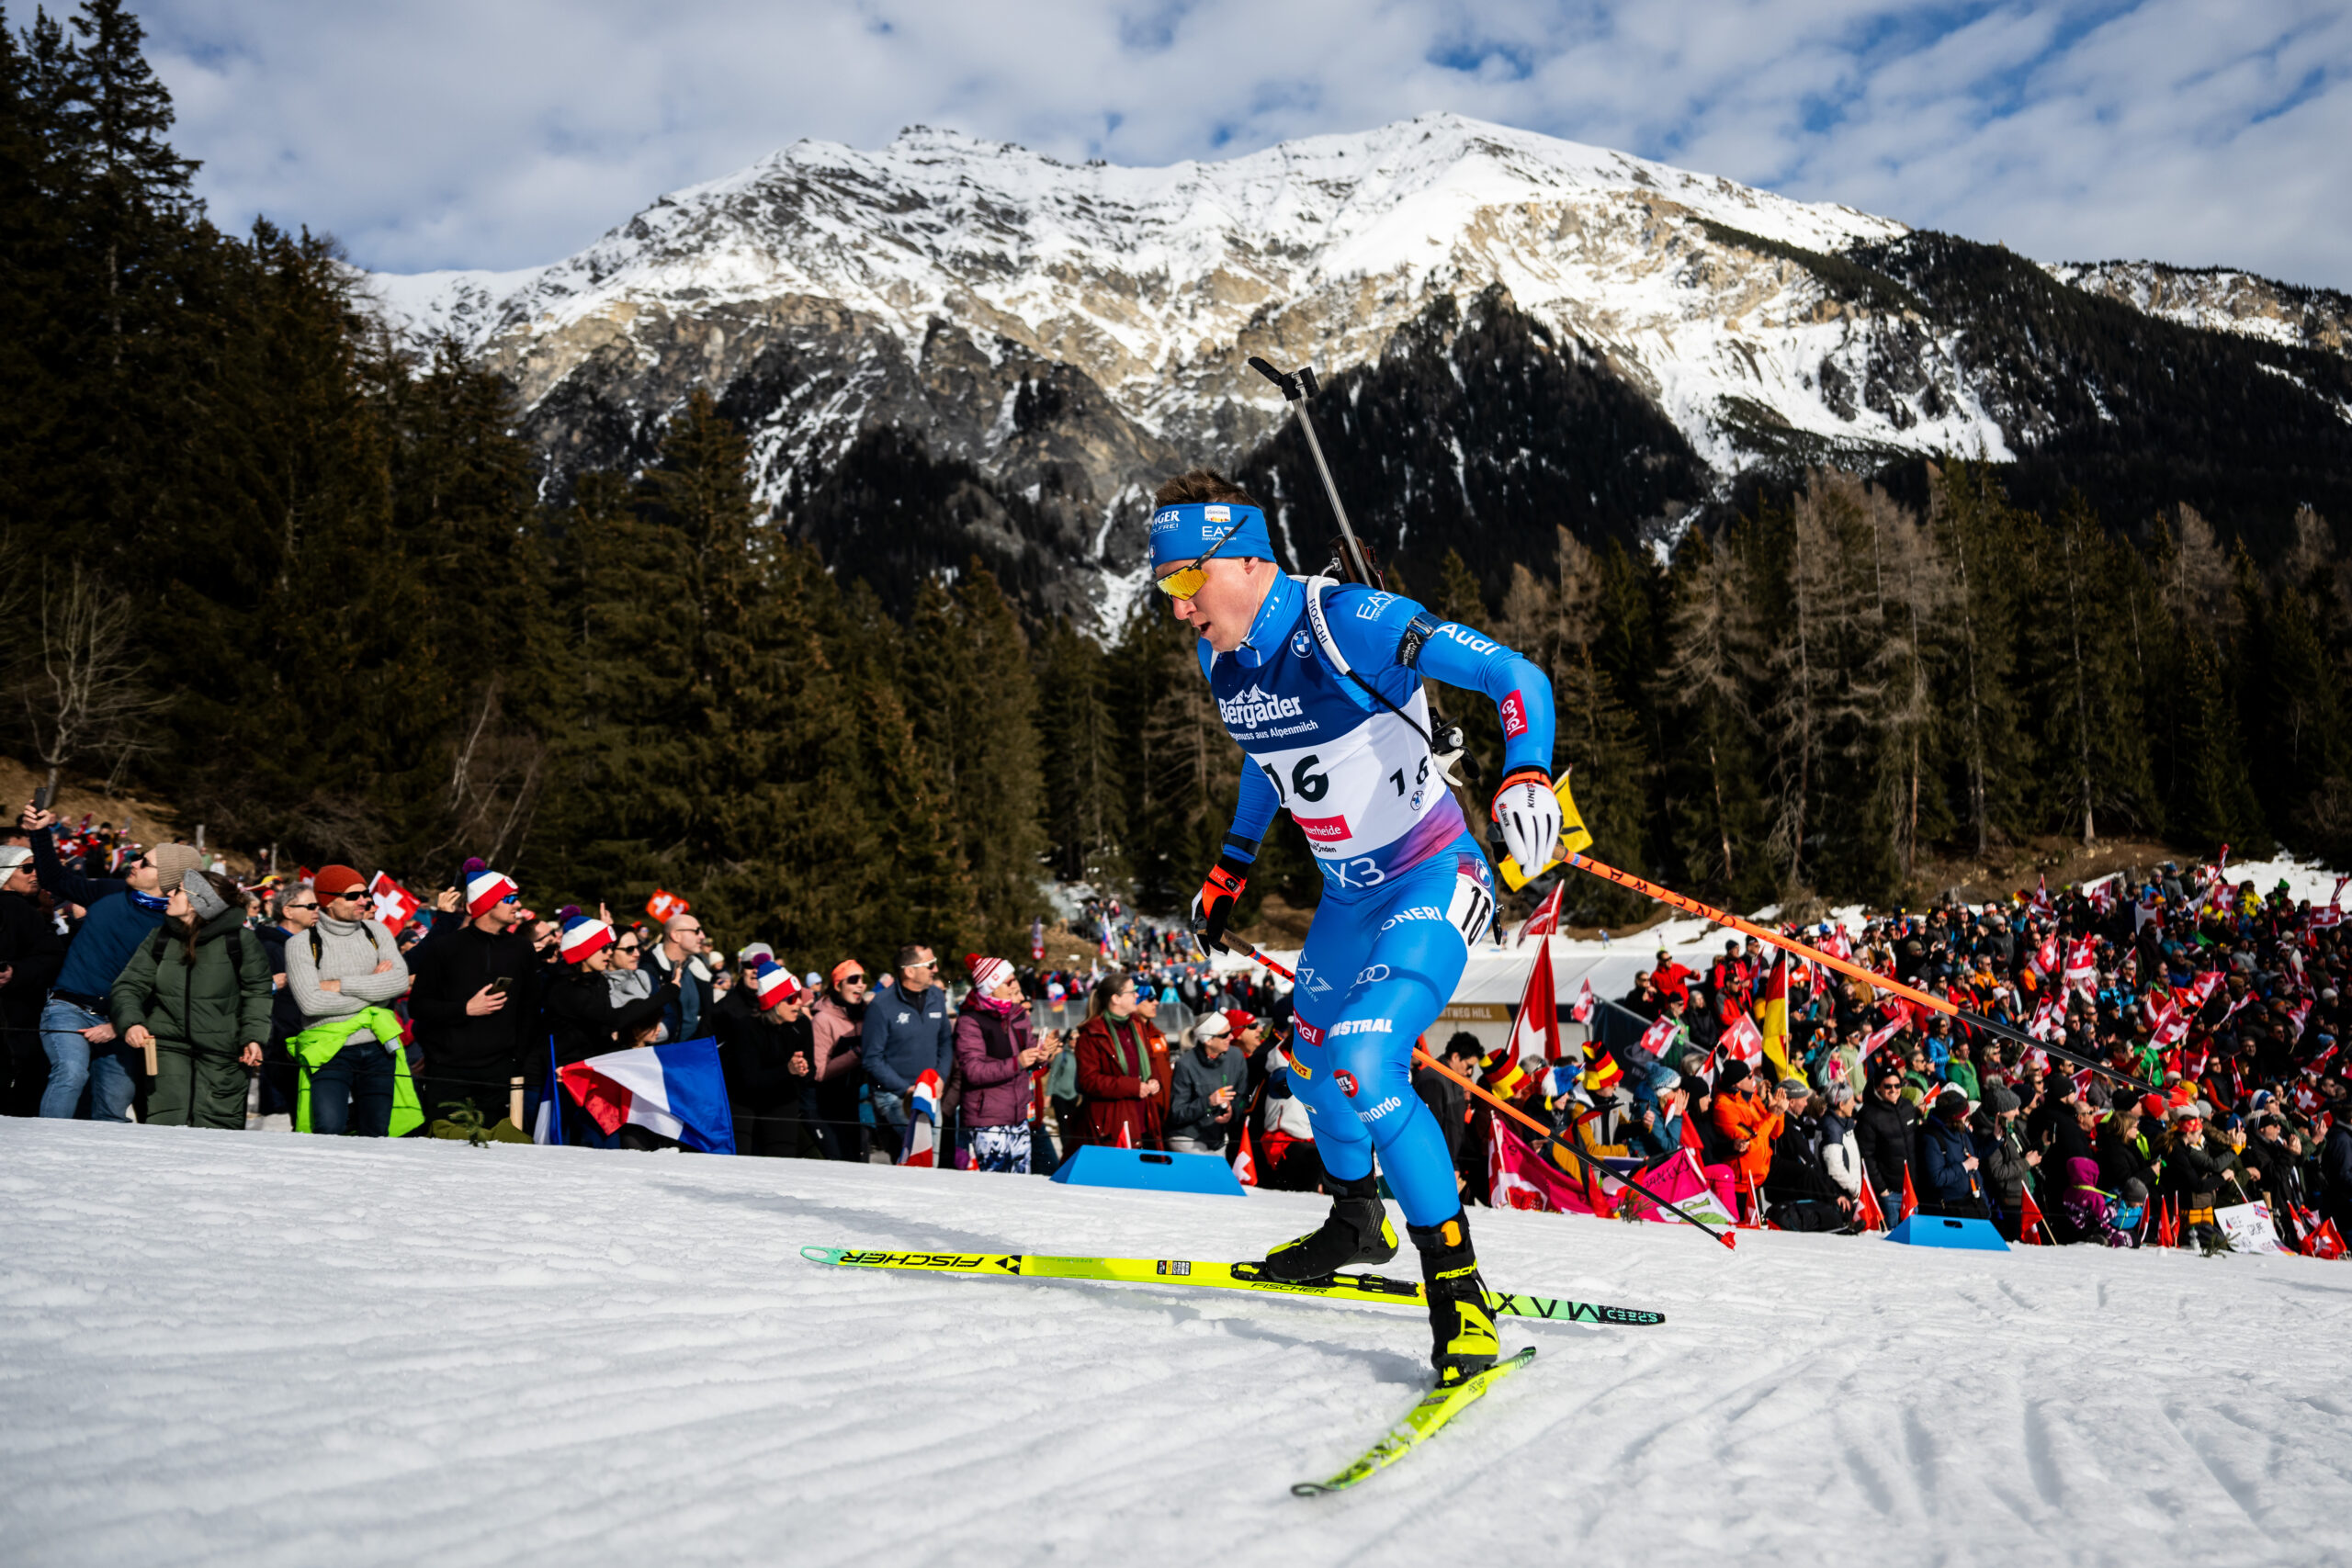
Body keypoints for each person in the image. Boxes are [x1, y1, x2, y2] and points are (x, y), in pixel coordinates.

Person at [1153, 468, 1561, 1386]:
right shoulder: (1222, 657)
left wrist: (1526, 770)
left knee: (1365, 1060)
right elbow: (1265, 754)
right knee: (1310, 1075)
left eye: (1185, 580)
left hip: (1434, 873)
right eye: (1164, 587)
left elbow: (1513, 673)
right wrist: (1230, 865)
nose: (1178, 607)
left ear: (1244, 557)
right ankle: (1355, 1220)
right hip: (1345, 898)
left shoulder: (1346, 621)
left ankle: (1457, 1288)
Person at [23, 804, 197, 1120]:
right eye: (139, 856)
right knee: (71, 1073)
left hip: (123, 1023)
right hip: (68, 1007)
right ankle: (47, 1141)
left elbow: (166, 990)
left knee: (113, 1105)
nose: (135, 862)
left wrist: (118, 1026)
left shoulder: (176, 928)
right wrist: (40, 833)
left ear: (169, 879)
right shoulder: (110, 891)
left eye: (145, 862)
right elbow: (55, 878)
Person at [109, 870, 273, 1130]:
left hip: (224, 1052)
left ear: (198, 902)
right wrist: (132, 1022)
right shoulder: (160, 937)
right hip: (167, 1048)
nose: (169, 894)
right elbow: (129, 985)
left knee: (218, 1130)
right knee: (165, 1127)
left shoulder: (241, 941)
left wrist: (253, 1037)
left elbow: (257, 993)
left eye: (178, 890)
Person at [284, 864, 414, 1137]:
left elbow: (399, 982)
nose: (364, 901)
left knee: (377, 1132)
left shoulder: (377, 932)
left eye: (366, 894)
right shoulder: (300, 944)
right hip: (329, 1049)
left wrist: (341, 985)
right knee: (328, 1129)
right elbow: (311, 1003)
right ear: (328, 901)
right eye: (353, 896)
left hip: (378, 1047)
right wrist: (374, 992)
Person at [406, 865, 537, 1132]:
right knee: (446, 1145)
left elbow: (530, 1009)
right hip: (448, 1071)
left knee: (495, 1148)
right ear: (487, 903)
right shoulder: (446, 946)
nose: (518, 905)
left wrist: (517, 1060)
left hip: (499, 1071)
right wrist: (465, 1009)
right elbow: (419, 1006)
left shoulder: (522, 948)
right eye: (510, 898)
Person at [541, 914, 674, 1145]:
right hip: (562, 1078)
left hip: (592, 1079)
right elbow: (612, 1020)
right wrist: (664, 995)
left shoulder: (597, 981)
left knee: (608, 1144)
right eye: (603, 948)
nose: (609, 954)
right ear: (585, 950)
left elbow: (602, 1032)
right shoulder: (566, 987)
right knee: (568, 1148)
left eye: (611, 948)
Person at [952, 953, 1054, 1172]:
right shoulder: (970, 1020)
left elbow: (1030, 1056)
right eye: (1009, 982)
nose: (1015, 985)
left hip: (1019, 1116)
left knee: (1020, 1183)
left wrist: (1042, 1055)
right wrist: (1018, 1062)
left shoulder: (1017, 1013)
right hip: (987, 1119)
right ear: (992, 987)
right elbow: (973, 1071)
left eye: (1014, 979)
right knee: (995, 1186)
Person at [862, 944, 954, 1163]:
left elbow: (945, 1042)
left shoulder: (936, 996)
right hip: (896, 1095)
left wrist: (940, 1078)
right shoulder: (881, 1005)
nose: (935, 969)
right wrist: (906, 1090)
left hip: (930, 1091)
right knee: (922, 1155)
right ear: (910, 971)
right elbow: (872, 1058)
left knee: (927, 1160)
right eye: (930, 965)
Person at [715, 961, 814, 1156]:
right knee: (740, 1158)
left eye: (799, 996)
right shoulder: (746, 1027)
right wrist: (788, 1070)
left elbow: (811, 1073)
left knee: (781, 1159)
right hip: (743, 1099)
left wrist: (803, 1070)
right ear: (775, 1002)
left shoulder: (801, 1025)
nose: (799, 1003)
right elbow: (749, 1079)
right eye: (791, 998)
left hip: (782, 1098)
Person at [0, 844, 67, 1116]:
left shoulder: (31, 908)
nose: (35, 874)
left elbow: (50, 957)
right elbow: (53, 957)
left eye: (36, 867)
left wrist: (15, 972)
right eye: (27, 868)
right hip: (14, 1025)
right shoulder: (16, 908)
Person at [1074, 971, 1169, 1149]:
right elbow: (1089, 1081)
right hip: (1114, 1122)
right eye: (1132, 992)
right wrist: (1133, 1087)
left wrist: (1154, 1080)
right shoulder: (1092, 1035)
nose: (1136, 996)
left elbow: (1150, 1060)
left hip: (1145, 1116)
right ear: (1116, 998)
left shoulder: (1137, 1025)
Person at [808, 960, 868, 1160]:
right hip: (829, 1104)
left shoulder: (867, 1014)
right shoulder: (822, 1019)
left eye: (862, 980)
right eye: (853, 980)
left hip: (859, 1103)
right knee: (840, 1162)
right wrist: (857, 1054)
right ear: (837, 985)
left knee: (859, 1162)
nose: (860, 985)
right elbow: (819, 1072)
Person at [1168, 1011, 1248, 1155]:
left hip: (1218, 1136)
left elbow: (1243, 1096)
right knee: (1210, 1167)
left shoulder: (1236, 1056)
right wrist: (1209, 1101)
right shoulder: (1185, 1064)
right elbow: (1177, 1113)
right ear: (1208, 1040)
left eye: (1231, 1031)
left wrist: (1232, 1111)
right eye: (1225, 1035)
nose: (1231, 1037)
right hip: (1188, 1136)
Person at [1854, 1067, 1919, 1216]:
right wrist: (1882, 1189)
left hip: (1912, 1190)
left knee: (1913, 1230)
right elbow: (1866, 1156)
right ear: (1878, 1088)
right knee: (1891, 1231)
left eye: (1897, 1085)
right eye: (1888, 1086)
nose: (1893, 1090)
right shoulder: (1868, 1115)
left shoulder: (1908, 1107)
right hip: (1890, 1194)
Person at [1917, 1086, 1986, 1217]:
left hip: (1972, 1204)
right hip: (1950, 1210)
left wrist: (1996, 1138)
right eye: (1965, 1114)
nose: (1967, 1116)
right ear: (1954, 1117)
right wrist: (1964, 1167)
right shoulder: (1931, 1139)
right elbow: (1936, 1178)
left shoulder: (1961, 1131)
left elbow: (1976, 1155)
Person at [644, 912, 714, 1043]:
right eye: (697, 931)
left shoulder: (698, 969)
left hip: (696, 1049)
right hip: (663, 1052)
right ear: (676, 935)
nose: (702, 936)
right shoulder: (648, 971)